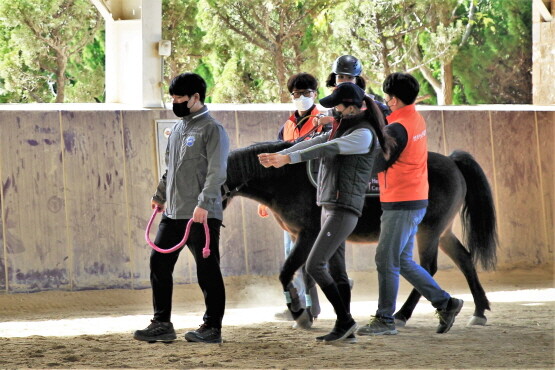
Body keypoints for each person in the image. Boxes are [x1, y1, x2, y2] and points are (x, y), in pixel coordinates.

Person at [259, 83, 389, 343]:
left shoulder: (363, 134)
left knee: (314, 264)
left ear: (351, 107)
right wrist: (281, 154)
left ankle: (346, 321)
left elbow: (325, 149)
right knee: (336, 270)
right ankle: (345, 325)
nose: (335, 110)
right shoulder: (342, 126)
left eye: (338, 106)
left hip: (344, 207)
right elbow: (316, 140)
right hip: (329, 205)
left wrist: (288, 159)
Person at [357, 72, 463, 336]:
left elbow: (378, 164)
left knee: (385, 258)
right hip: (413, 198)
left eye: (387, 96)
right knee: (403, 260)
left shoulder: (397, 128)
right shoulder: (413, 118)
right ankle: (445, 302)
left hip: (401, 201)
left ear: (393, 99)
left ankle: (385, 319)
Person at [134, 73, 230, 344]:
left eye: (179, 98)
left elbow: (217, 172)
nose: (174, 102)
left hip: (200, 214)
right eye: (173, 97)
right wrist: (160, 195)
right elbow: (171, 169)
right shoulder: (178, 130)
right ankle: (161, 323)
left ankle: (212, 328)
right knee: (159, 263)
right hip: (173, 213)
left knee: (207, 269)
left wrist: (205, 203)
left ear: (196, 97)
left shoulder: (213, 129)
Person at [259, 72, 324, 321]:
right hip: (291, 201)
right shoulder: (286, 126)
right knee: (292, 253)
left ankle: (311, 304)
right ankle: (300, 304)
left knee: (307, 255)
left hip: (314, 196)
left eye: (306, 93)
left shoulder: (323, 121)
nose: (301, 98)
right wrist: (269, 200)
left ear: (315, 94)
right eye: (296, 94)